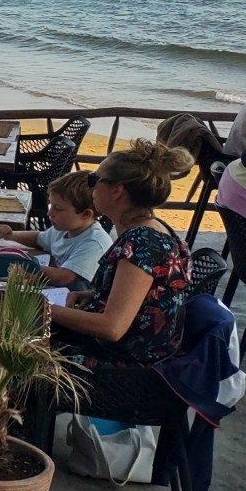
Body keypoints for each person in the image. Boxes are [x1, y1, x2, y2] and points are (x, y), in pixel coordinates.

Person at [51, 140, 193, 368]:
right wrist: (95, 295)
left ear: (117, 191)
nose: (91, 187)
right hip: (129, 351)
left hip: (121, 367)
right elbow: (145, 296)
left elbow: (112, 327)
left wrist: (45, 309)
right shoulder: (153, 228)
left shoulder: (141, 244)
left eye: (94, 180)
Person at [0, 170, 114, 288]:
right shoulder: (63, 229)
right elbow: (38, 238)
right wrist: (11, 235)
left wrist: (21, 265)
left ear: (86, 214)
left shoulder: (94, 243)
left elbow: (65, 277)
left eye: (58, 208)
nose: (49, 213)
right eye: (51, 205)